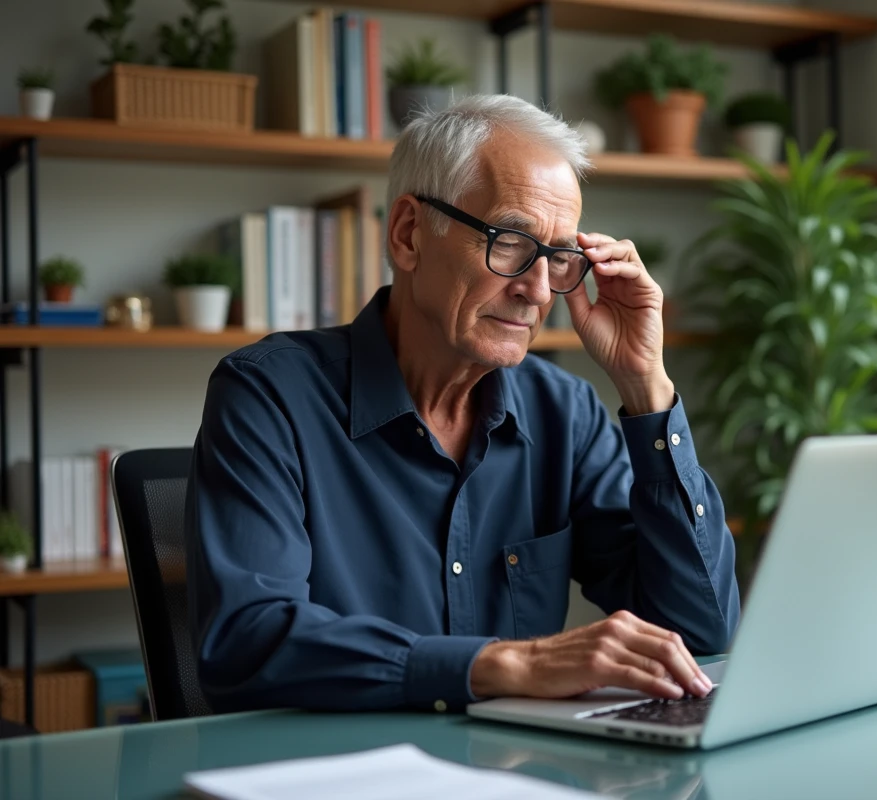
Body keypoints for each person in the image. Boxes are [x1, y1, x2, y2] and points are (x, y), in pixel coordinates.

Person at [185, 94, 740, 715]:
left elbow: (700, 631)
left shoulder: (567, 414)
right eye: (510, 243)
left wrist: (646, 388)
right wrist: (509, 665)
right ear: (408, 234)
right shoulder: (269, 395)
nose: (536, 291)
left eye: (559, 258)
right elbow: (247, 641)